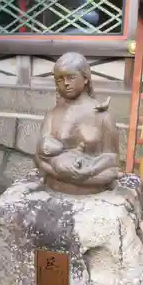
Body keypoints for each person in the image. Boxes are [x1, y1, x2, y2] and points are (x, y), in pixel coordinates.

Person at [34, 52, 119, 195]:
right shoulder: (53, 114)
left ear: (85, 78)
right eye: (60, 79)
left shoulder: (102, 116)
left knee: (109, 174)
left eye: (71, 77)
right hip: (55, 181)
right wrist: (60, 169)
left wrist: (89, 170)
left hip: (93, 183)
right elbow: (39, 156)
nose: (66, 83)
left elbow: (113, 159)